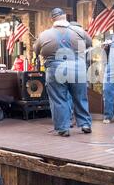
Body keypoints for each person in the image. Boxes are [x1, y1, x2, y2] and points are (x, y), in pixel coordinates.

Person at [33, 8, 93, 137]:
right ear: (65, 17)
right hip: (77, 67)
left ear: (52, 19)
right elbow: (89, 43)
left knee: (59, 99)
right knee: (80, 97)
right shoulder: (78, 31)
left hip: (55, 68)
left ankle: (63, 128)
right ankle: (85, 124)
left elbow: (36, 50)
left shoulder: (45, 34)